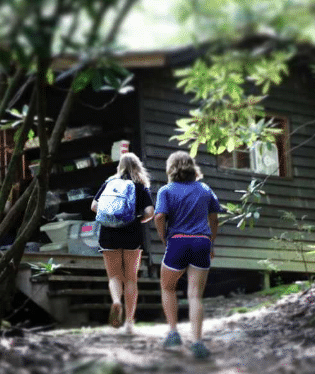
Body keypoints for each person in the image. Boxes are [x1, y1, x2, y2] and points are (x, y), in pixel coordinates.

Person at [153, 151, 220, 359]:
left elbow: (159, 216)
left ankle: (173, 333)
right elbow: (214, 218)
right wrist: (211, 241)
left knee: (167, 286)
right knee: (195, 295)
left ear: (170, 168)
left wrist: (164, 237)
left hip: (178, 242)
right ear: (192, 167)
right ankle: (197, 343)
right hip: (201, 242)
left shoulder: (166, 190)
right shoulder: (205, 189)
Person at [91, 152, 154, 335]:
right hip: (131, 233)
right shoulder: (140, 186)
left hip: (108, 234)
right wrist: (138, 220)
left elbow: (94, 206)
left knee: (114, 277)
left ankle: (116, 301)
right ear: (137, 167)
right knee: (131, 279)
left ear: (120, 166)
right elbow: (150, 211)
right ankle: (129, 322)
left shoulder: (109, 183)